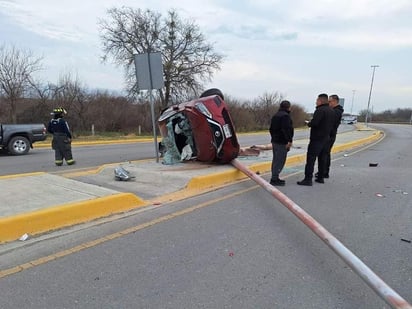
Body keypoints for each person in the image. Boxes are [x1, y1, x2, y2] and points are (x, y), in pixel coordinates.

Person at [297, 94, 335, 186]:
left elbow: (315, 123)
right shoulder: (331, 111)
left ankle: (308, 179)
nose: (316, 102)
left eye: (317, 100)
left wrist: (309, 123)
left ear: (321, 101)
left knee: (311, 159)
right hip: (326, 138)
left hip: (317, 138)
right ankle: (321, 177)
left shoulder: (320, 110)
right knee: (322, 158)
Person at [316, 94, 344, 181]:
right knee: (325, 154)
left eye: (330, 101)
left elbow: (330, 123)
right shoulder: (333, 110)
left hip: (330, 135)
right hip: (329, 134)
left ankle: (324, 172)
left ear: (335, 101)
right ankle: (323, 171)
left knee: (325, 154)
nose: (328, 103)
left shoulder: (336, 112)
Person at [269, 100, 294, 186]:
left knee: (276, 159)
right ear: (288, 107)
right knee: (280, 160)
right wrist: (289, 140)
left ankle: (274, 176)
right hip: (282, 142)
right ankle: (274, 178)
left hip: (275, 141)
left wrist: (273, 137)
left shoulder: (276, 115)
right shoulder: (285, 116)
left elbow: (271, 129)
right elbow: (286, 129)